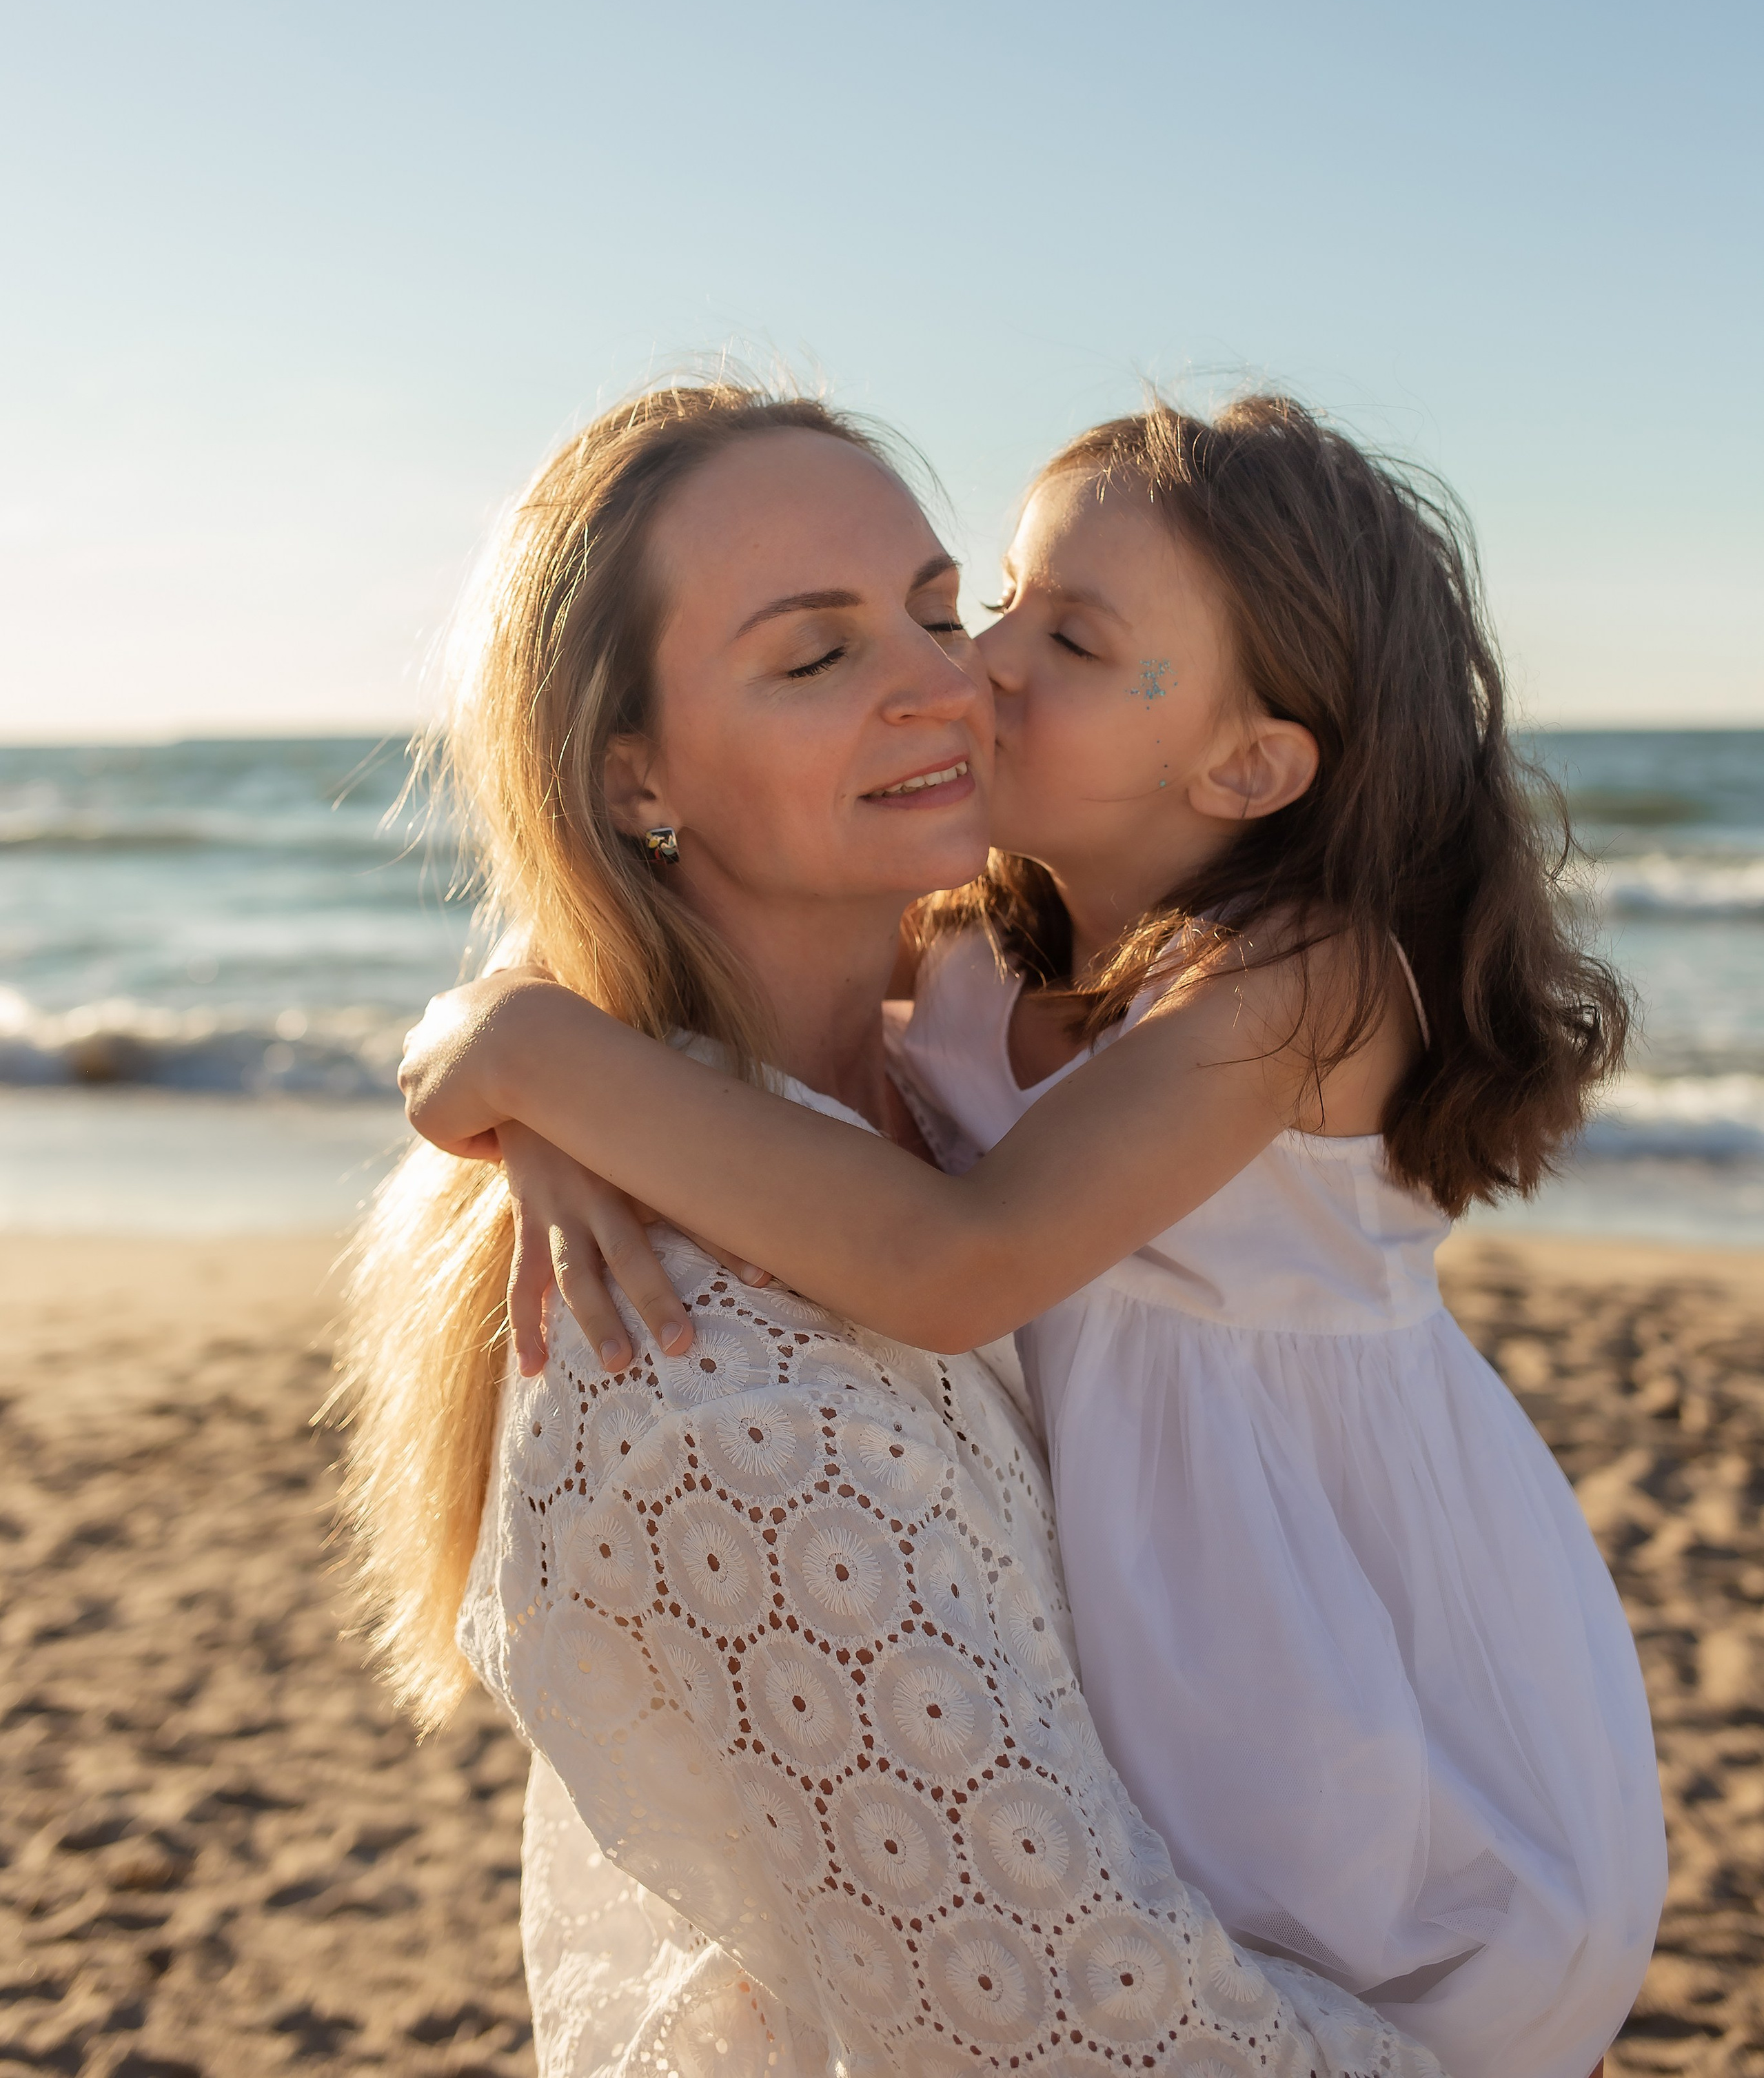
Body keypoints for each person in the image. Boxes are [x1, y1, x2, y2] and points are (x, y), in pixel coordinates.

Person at [399, 394, 1664, 2078]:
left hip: (1336, 1627)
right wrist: (518, 1055)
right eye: (990, 601)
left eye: (1047, 633)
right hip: (1166, 1624)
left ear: (1244, 764)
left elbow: (956, 1264)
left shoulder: (1295, 981)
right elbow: (639, 938)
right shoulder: (983, 949)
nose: (970, 669)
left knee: (1377, 1936)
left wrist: (546, 1067)